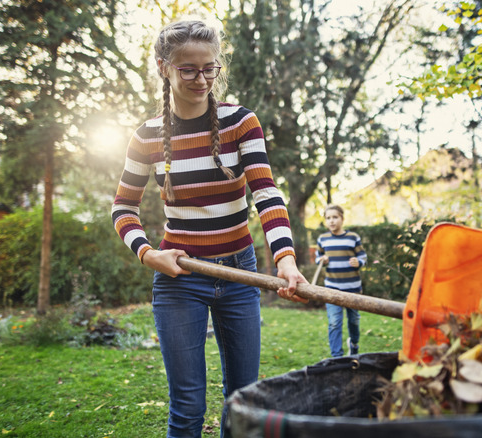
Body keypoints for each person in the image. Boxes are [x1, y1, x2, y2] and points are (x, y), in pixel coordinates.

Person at [110, 17, 307, 438]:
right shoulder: (145, 136)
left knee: (243, 401)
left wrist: (285, 259)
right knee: (187, 407)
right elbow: (123, 208)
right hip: (181, 276)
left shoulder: (241, 122)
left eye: (210, 68)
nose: (202, 79)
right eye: (189, 70)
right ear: (164, 67)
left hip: (240, 272)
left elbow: (266, 193)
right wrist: (148, 254)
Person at [315, 205, 367, 357]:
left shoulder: (353, 238)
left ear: (342, 219)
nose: (331, 221)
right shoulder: (322, 239)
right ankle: (337, 357)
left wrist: (359, 262)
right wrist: (322, 260)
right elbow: (318, 257)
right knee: (334, 322)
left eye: (335, 217)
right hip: (332, 288)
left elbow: (363, 256)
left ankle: (354, 344)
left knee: (354, 321)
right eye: (328, 218)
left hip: (353, 288)